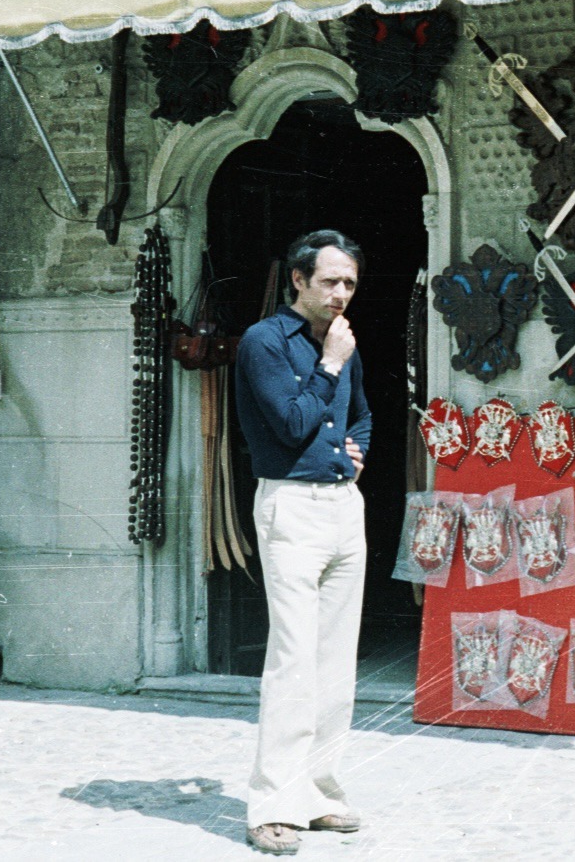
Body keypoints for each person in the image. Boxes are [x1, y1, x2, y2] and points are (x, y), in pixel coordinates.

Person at [236, 229, 373, 855]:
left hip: (344, 507)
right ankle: (273, 805)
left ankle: (317, 792)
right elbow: (291, 422)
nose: (341, 294)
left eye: (349, 282)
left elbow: (364, 412)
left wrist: (360, 450)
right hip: (290, 506)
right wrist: (329, 364)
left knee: (335, 661)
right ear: (298, 281)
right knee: (293, 659)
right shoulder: (265, 342)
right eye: (329, 282)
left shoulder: (342, 342)